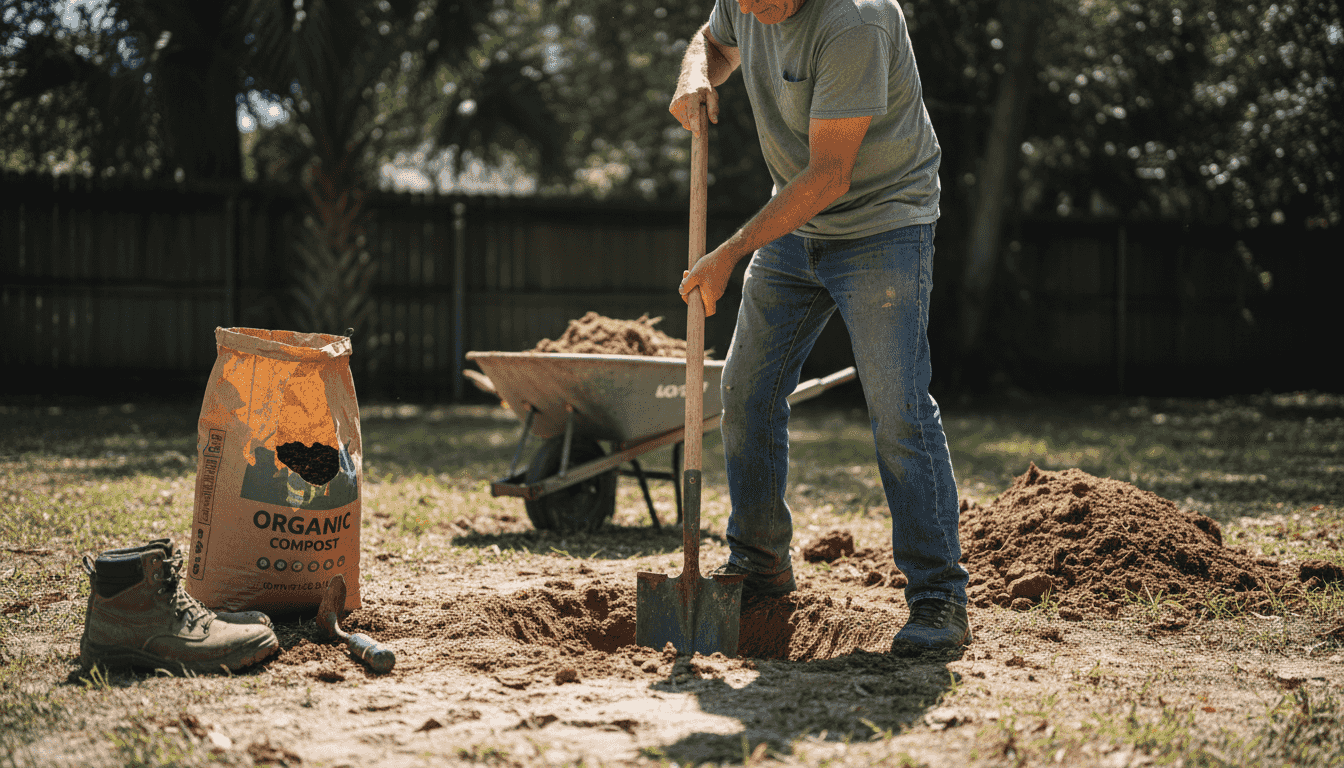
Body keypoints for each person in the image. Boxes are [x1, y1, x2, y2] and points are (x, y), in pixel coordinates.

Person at [670, 0, 970, 654]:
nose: (750, 7)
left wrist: (729, 252)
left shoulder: (854, 20)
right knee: (745, 393)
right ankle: (759, 567)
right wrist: (694, 73)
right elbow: (714, 42)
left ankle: (939, 597)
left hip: (882, 224)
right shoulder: (745, 1)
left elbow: (831, 172)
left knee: (897, 409)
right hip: (795, 225)